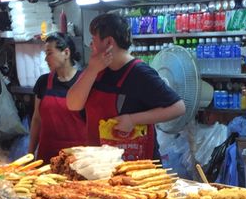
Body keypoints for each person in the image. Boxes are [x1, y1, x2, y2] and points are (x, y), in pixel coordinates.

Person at [66, 13, 185, 160]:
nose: (91, 45)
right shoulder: (96, 69)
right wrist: (91, 70)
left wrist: (133, 119)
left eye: (93, 39)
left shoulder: (140, 73)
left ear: (109, 42)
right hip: (100, 162)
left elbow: (178, 107)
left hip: (136, 166)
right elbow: (73, 104)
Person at [28, 32, 87, 162]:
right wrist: (30, 154)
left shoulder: (85, 82)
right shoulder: (43, 82)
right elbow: (37, 120)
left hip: (78, 158)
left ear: (66, 53)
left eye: (49, 53)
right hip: (47, 156)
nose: (46, 59)